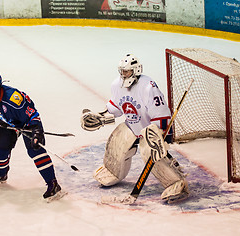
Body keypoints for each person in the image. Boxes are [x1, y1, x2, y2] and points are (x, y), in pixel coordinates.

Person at [81, 54, 189, 203]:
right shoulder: (117, 85)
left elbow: (161, 112)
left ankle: (175, 182)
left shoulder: (148, 86)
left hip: (151, 130)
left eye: (126, 72)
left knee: (150, 152)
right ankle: (113, 171)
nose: (123, 75)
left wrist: (160, 133)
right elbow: (117, 108)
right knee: (117, 140)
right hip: (133, 125)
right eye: (121, 71)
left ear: (136, 70)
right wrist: (101, 115)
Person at [0, 71, 64, 201]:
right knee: (0, 152)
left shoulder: (14, 99)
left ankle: (53, 184)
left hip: (26, 123)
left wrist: (36, 131)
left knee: (36, 152)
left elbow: (33, 114)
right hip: (8, 124)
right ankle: (1, 175)